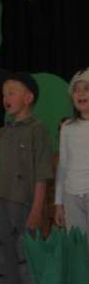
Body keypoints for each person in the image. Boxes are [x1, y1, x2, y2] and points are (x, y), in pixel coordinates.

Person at [0, 72, 53, 284]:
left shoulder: (38, 129)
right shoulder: (3, 132)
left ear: (28, 97)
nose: (6, 98)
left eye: (12, 93)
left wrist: (37, 209)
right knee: (2, 260)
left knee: (27, 259)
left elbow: (42, 175)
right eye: (4, 94)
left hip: (24, 203)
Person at [55, 68, 89, 236]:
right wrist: (58, 203)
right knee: (77, 247)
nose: (80, 93)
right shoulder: (67, 127)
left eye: (86, 89)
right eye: (76, 90)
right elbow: (63, 166)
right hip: (71, 196)